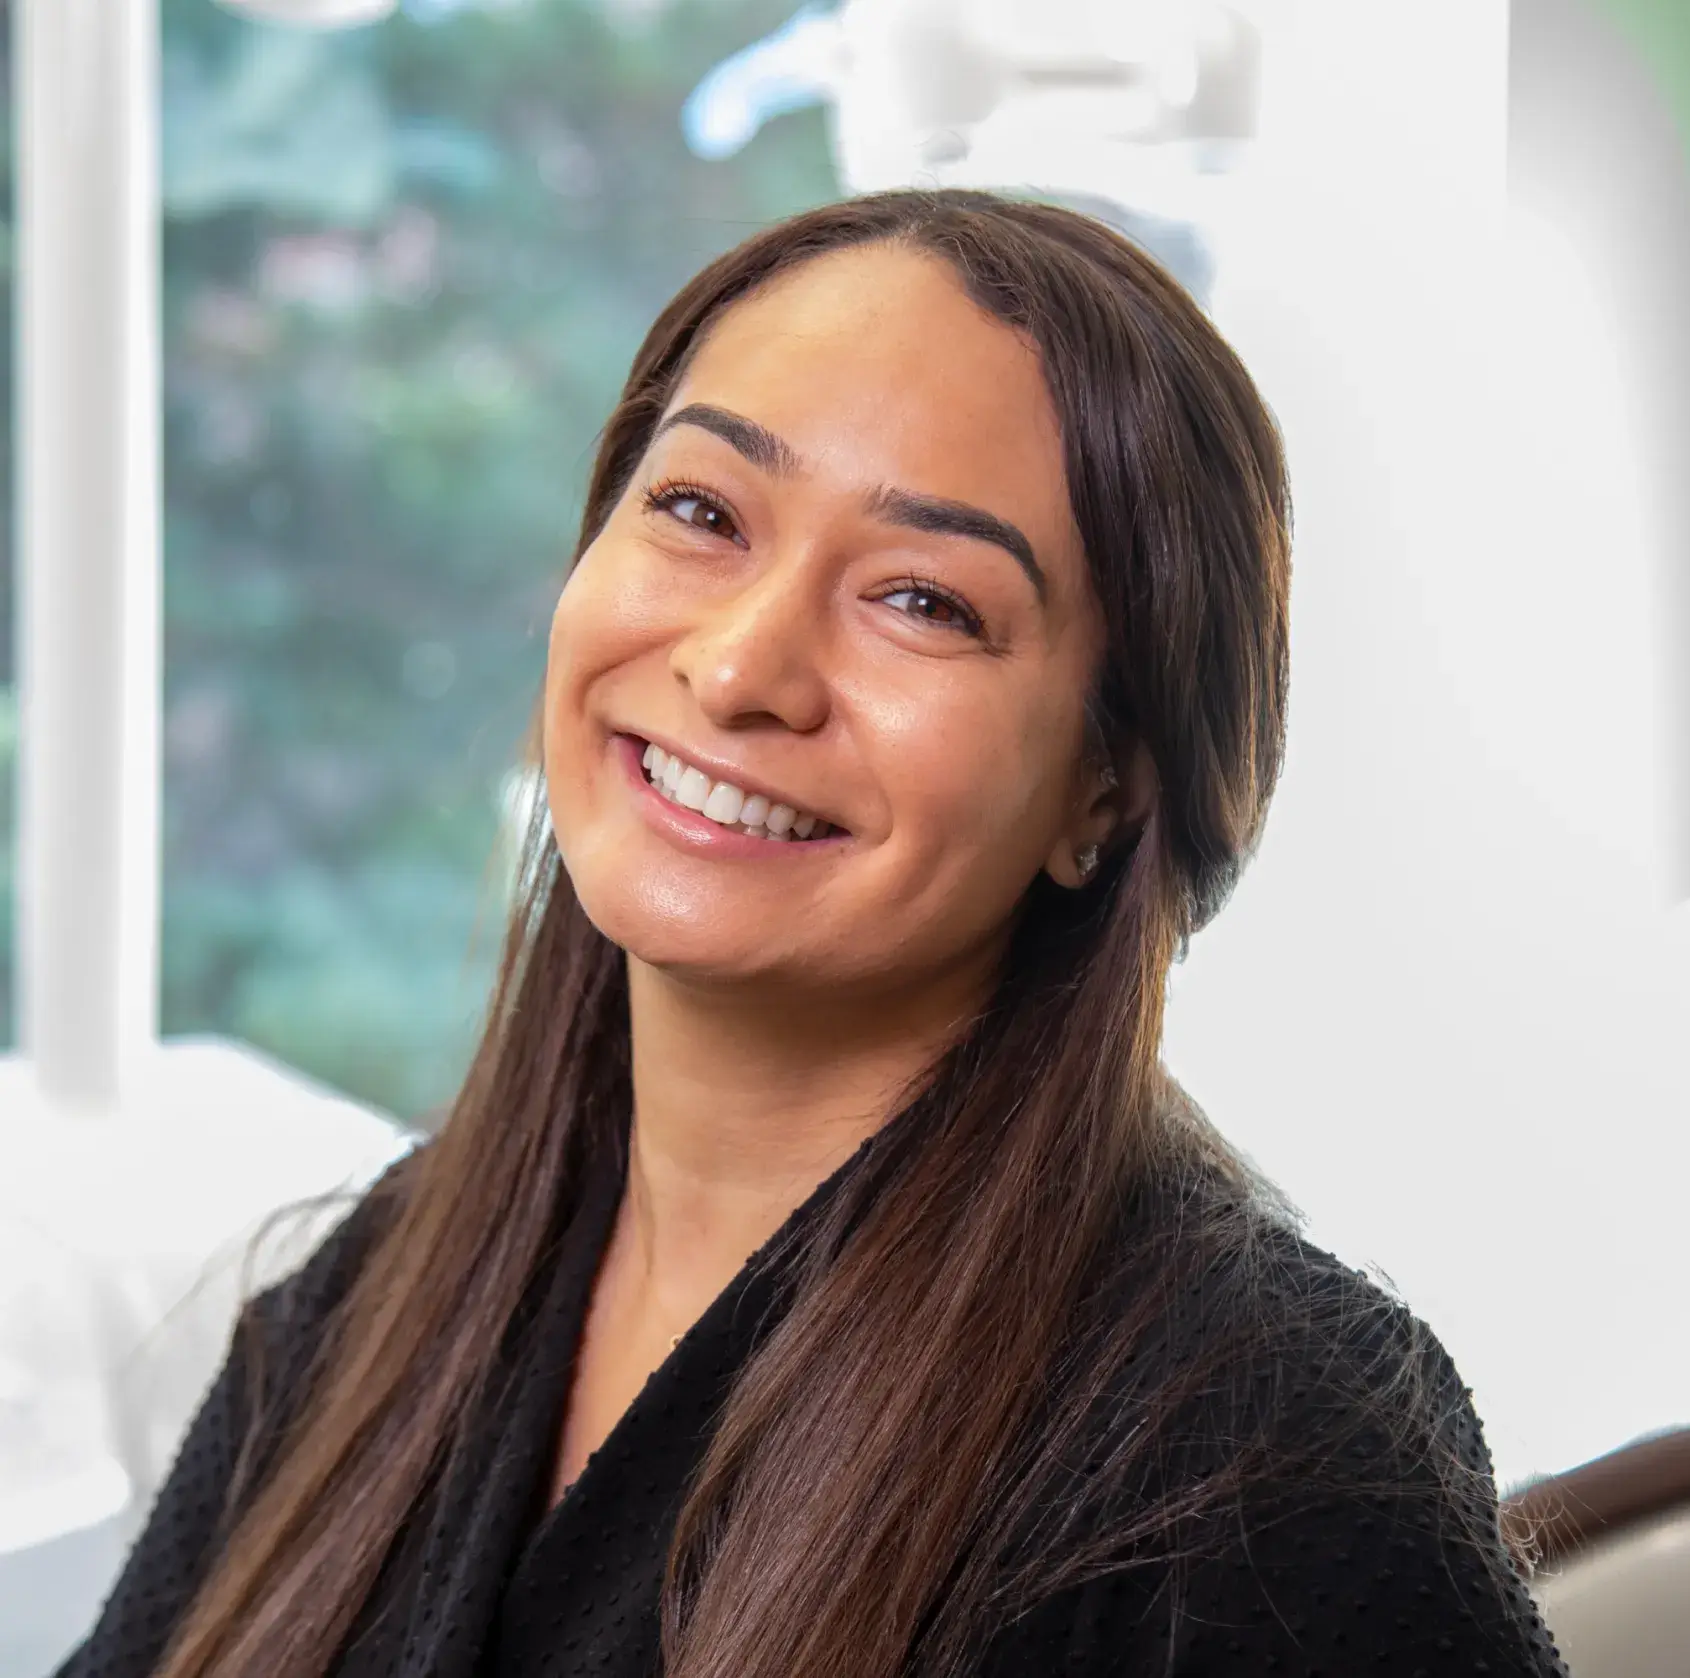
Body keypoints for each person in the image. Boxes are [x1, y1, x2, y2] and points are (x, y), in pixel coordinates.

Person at [55, 188, 1569, 1678]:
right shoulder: (370, 1306)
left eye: (920, 598)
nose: (735, 667)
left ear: (1102, 789)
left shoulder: (1265, 1448)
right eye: (701, 512)